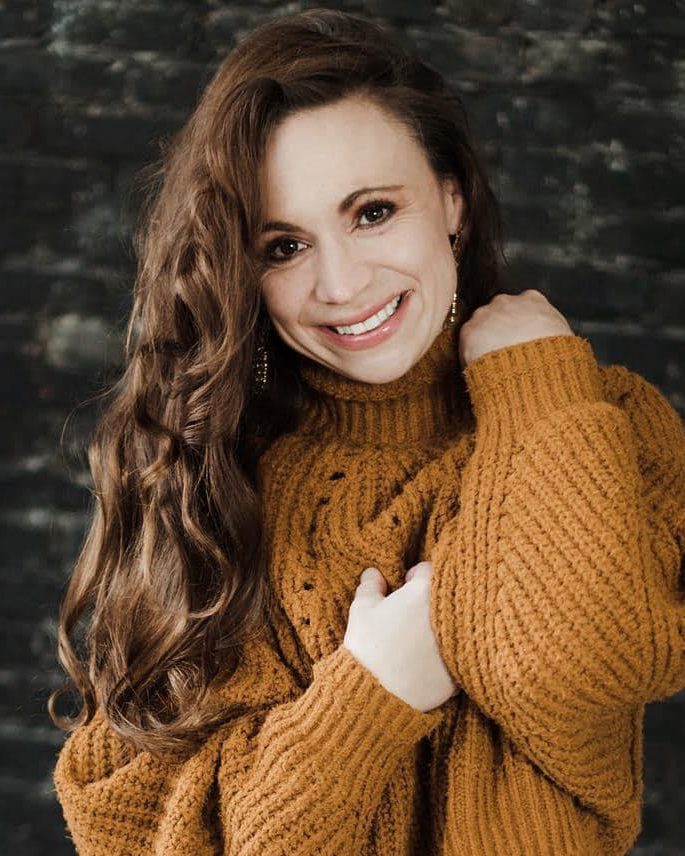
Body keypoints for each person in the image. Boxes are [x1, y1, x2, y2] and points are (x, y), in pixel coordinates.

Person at [50, 8, 685, 856]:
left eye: (373, 212)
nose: (342, 284)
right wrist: (372, 691)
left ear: (452, 198)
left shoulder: (600, 419)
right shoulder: (210, 476)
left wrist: (533, 380)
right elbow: (126, 835)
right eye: (283, 247)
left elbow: (578, 667)